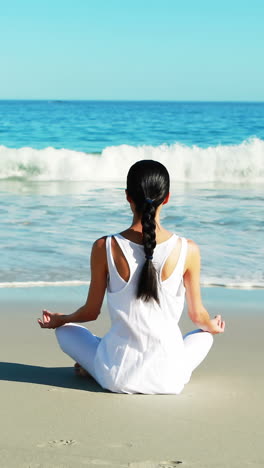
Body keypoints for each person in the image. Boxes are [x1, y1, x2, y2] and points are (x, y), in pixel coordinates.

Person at [38, 160, 225, 394]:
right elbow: (197, 316)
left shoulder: (104, 247)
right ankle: (96, 362)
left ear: (128, 197)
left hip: (115, 375)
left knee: (66, 331)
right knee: (204, 336)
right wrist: (212, 326)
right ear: (166, 198)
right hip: (170, 378)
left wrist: (61, 319)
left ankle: (92, 364)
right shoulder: (188, 249)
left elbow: (90, 312)